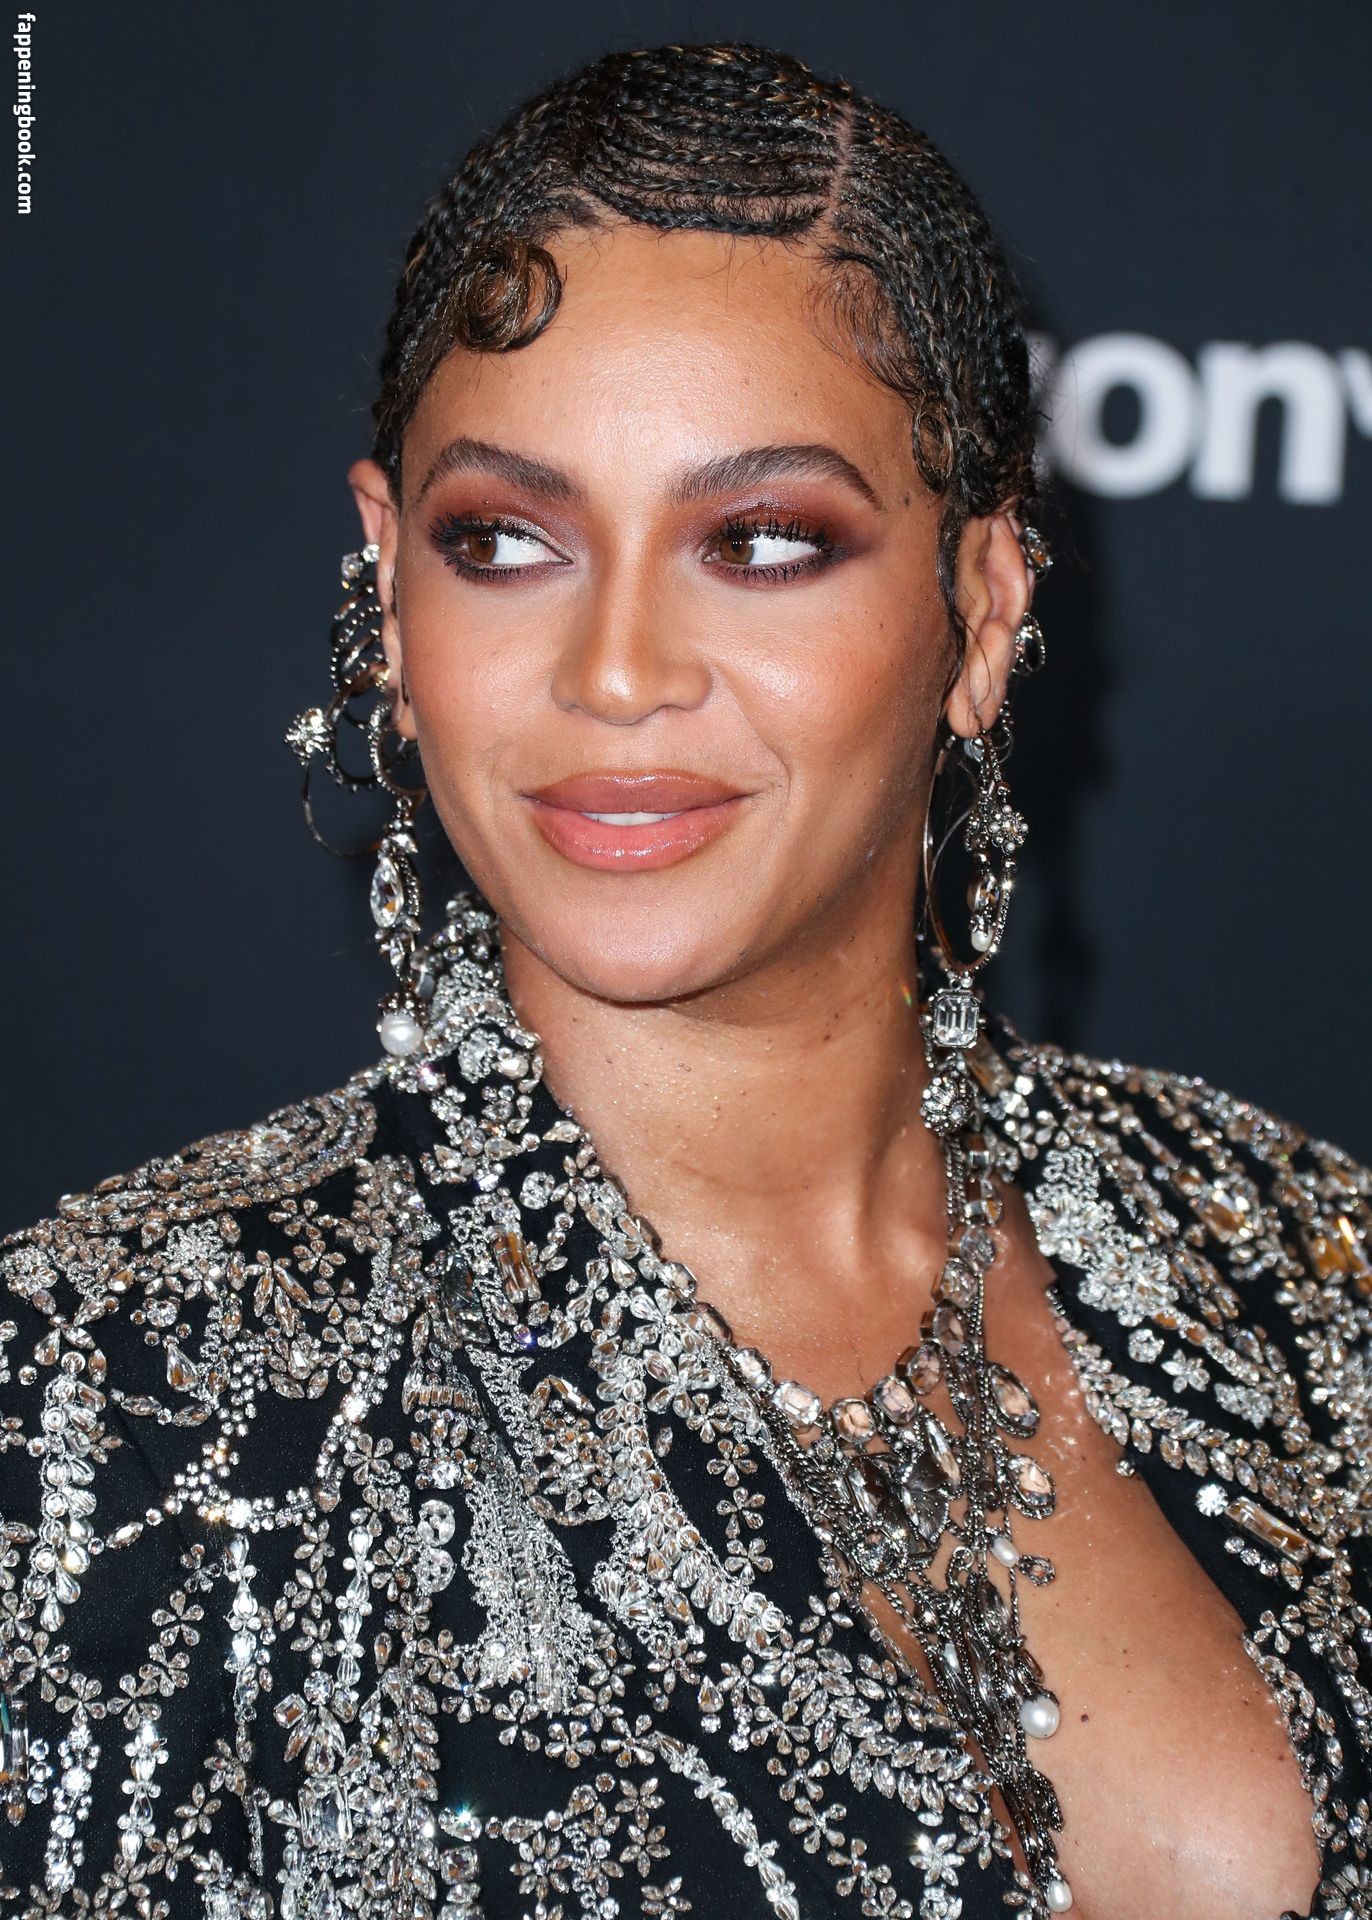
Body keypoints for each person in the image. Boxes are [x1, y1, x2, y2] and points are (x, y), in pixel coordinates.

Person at [0, 39, 1366, 1920]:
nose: (619, 669)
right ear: (388, 588)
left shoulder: (1297, 1262)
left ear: (982, 611)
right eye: (506, 541)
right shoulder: (108, 1402)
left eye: (763, 541)